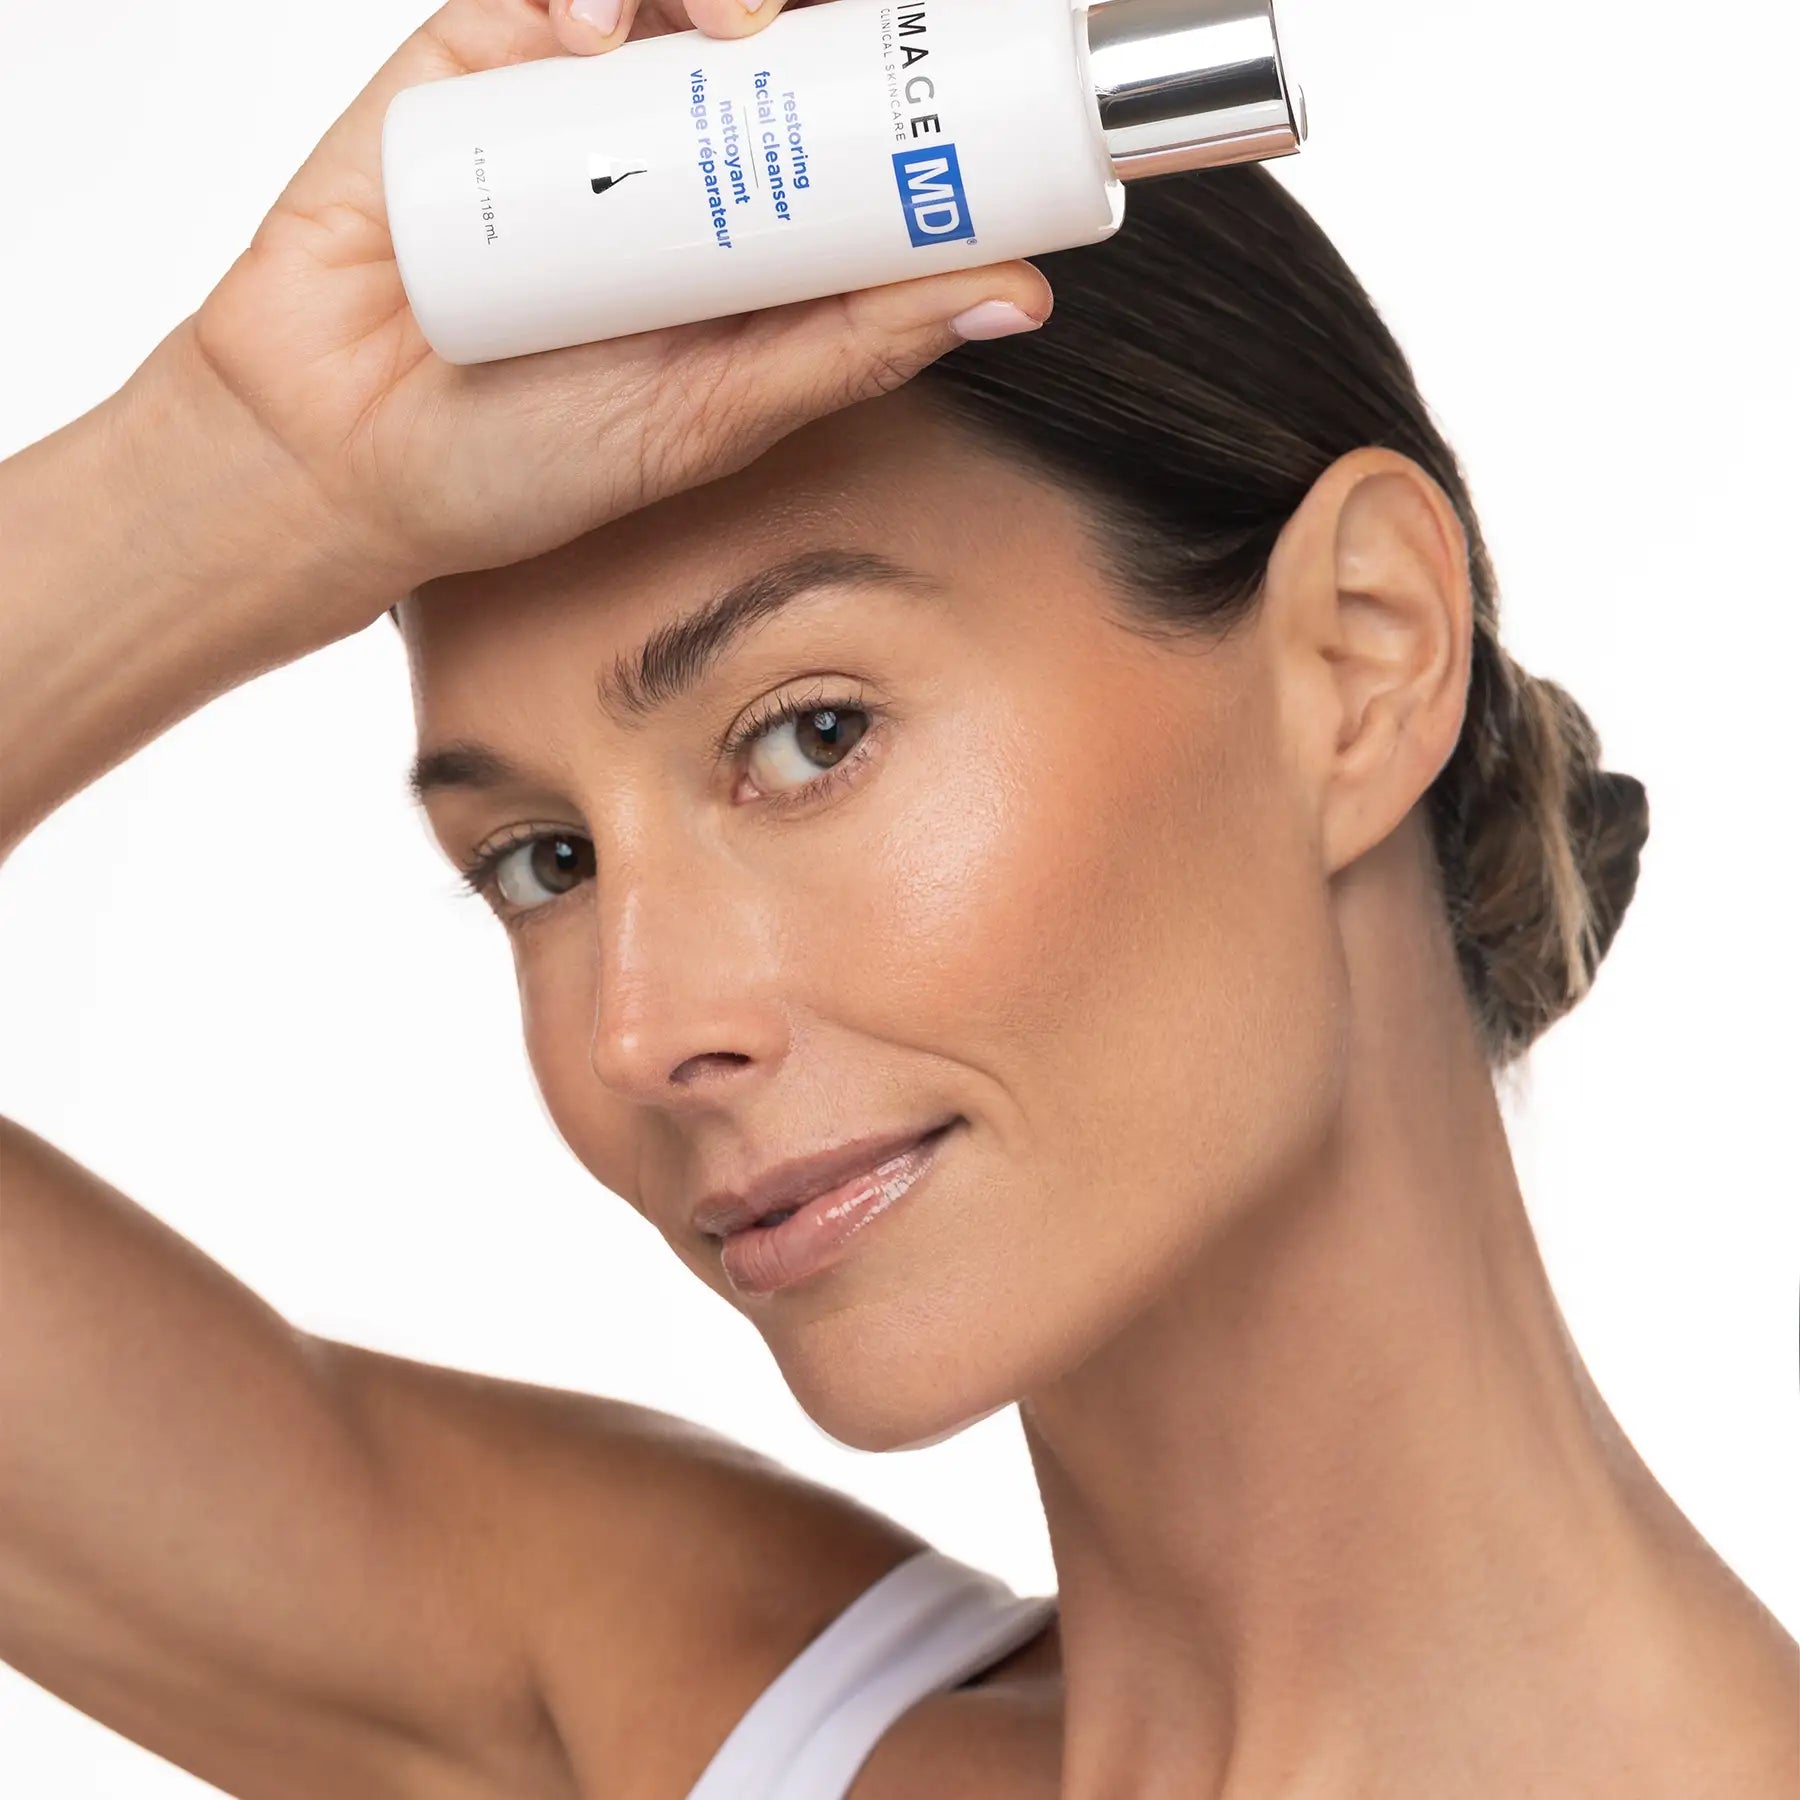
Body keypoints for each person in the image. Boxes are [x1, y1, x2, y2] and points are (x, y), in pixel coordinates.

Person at [2, 0, 1794, 1796]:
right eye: (543, 862)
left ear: (1358, 658)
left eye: (809, 737)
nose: (639, 1030)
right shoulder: (664, 1717)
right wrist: (245, 468)